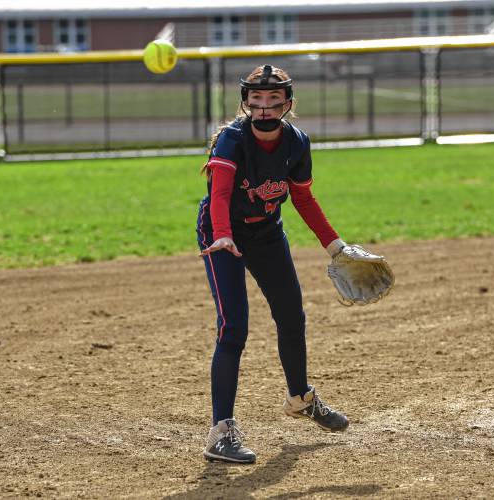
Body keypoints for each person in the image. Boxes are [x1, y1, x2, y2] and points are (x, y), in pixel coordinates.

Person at [196, 64, 350, 464]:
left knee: (291, 315)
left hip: (266, 232)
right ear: (244, 103)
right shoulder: (232, 139)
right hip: (223, 233)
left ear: (288, 104)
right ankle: (221, 432)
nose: (264, 107)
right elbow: (221, 192)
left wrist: (335, 245)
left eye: (273, 100)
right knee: (234, 328)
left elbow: (303, 199)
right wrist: (222, 233)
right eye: (256, 99)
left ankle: (300, 399)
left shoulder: (297, 143)